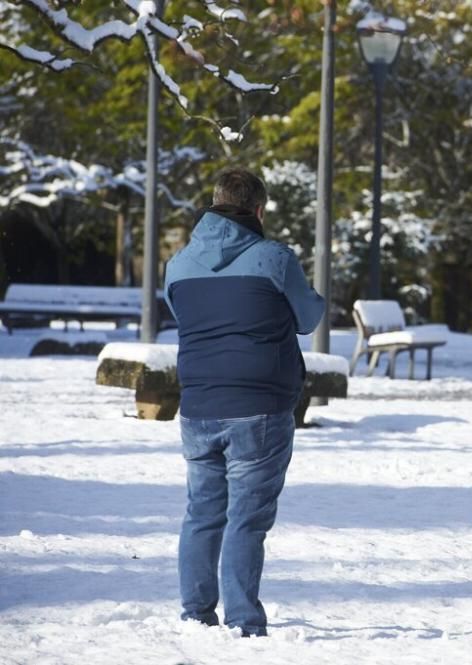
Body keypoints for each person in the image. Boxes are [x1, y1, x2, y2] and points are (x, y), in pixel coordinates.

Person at [164, 169, 325, 636]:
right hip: (259, 408)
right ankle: (242, 621)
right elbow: (309, 318)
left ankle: (196, 613)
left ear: (214, 204)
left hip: (197, 406)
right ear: (258, 210)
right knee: (247, 518)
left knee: (202, 512)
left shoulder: (178, 264)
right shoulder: (273, 259)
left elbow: (183, 314)